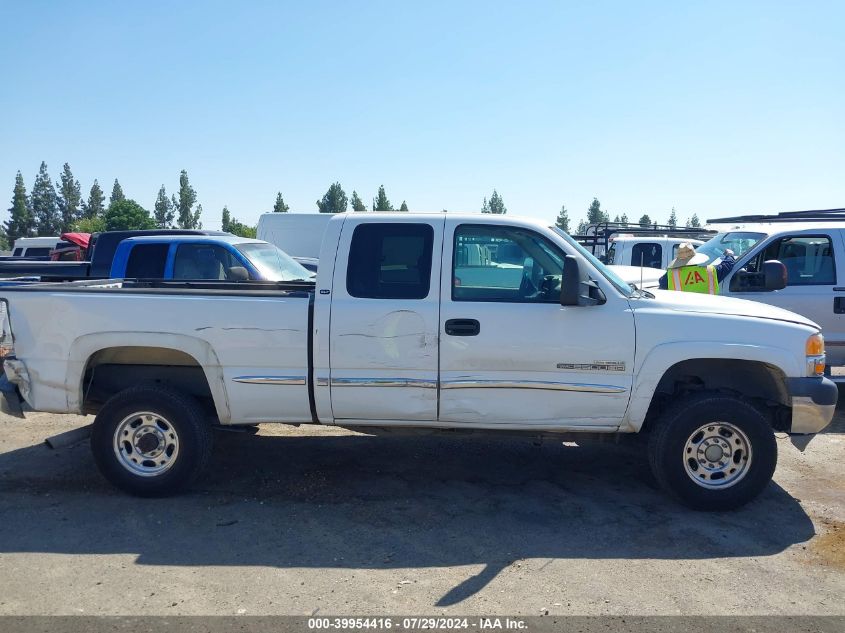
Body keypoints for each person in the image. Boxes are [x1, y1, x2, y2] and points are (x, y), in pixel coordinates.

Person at [658, 243, 736, 294]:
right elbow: (728, 265)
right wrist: (729, 255)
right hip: (707, 313)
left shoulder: (671, 274)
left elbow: (662, 284)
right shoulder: (709, 271)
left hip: (682, 314)